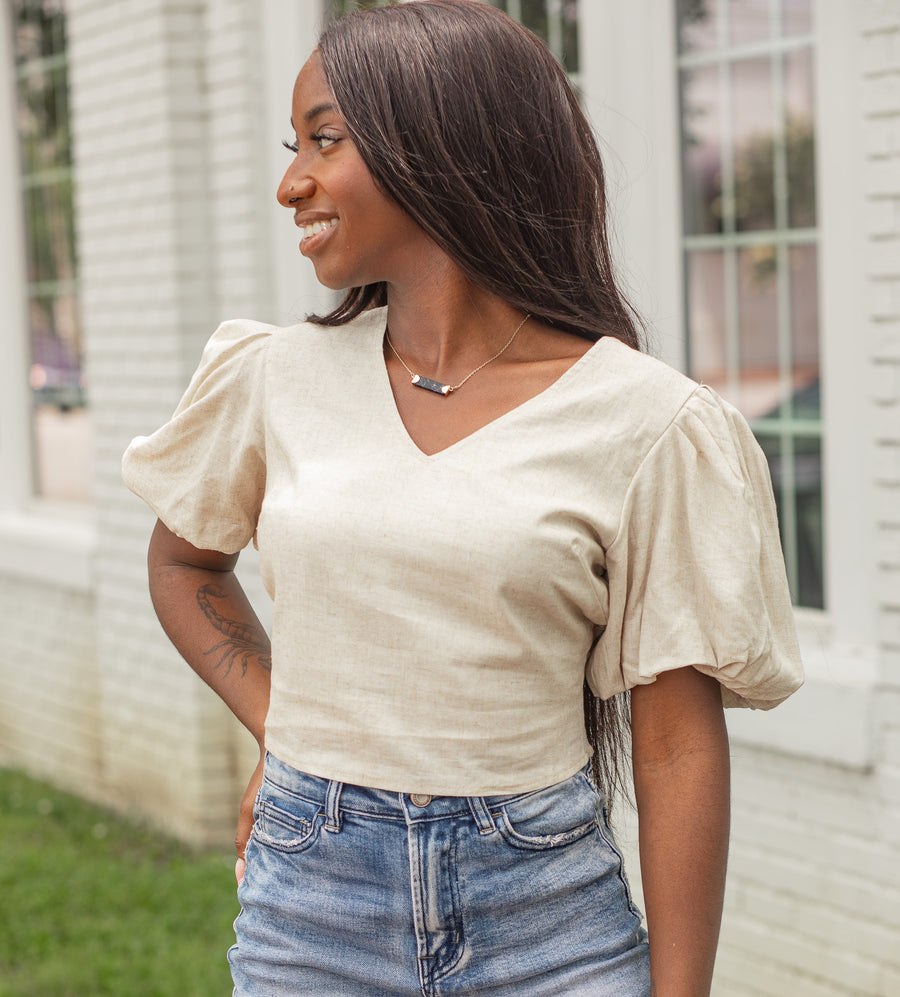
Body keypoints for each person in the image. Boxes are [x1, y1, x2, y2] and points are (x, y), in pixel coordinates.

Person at [122, 2, 803, 994]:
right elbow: (183, 562)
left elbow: (676, 742)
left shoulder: (650, 423)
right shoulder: (273, 378)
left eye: (324, 139)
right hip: (313, 907)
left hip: (548, 919)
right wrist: (288, 726)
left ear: (439, 147)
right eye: (292, 144)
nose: (290, 182)